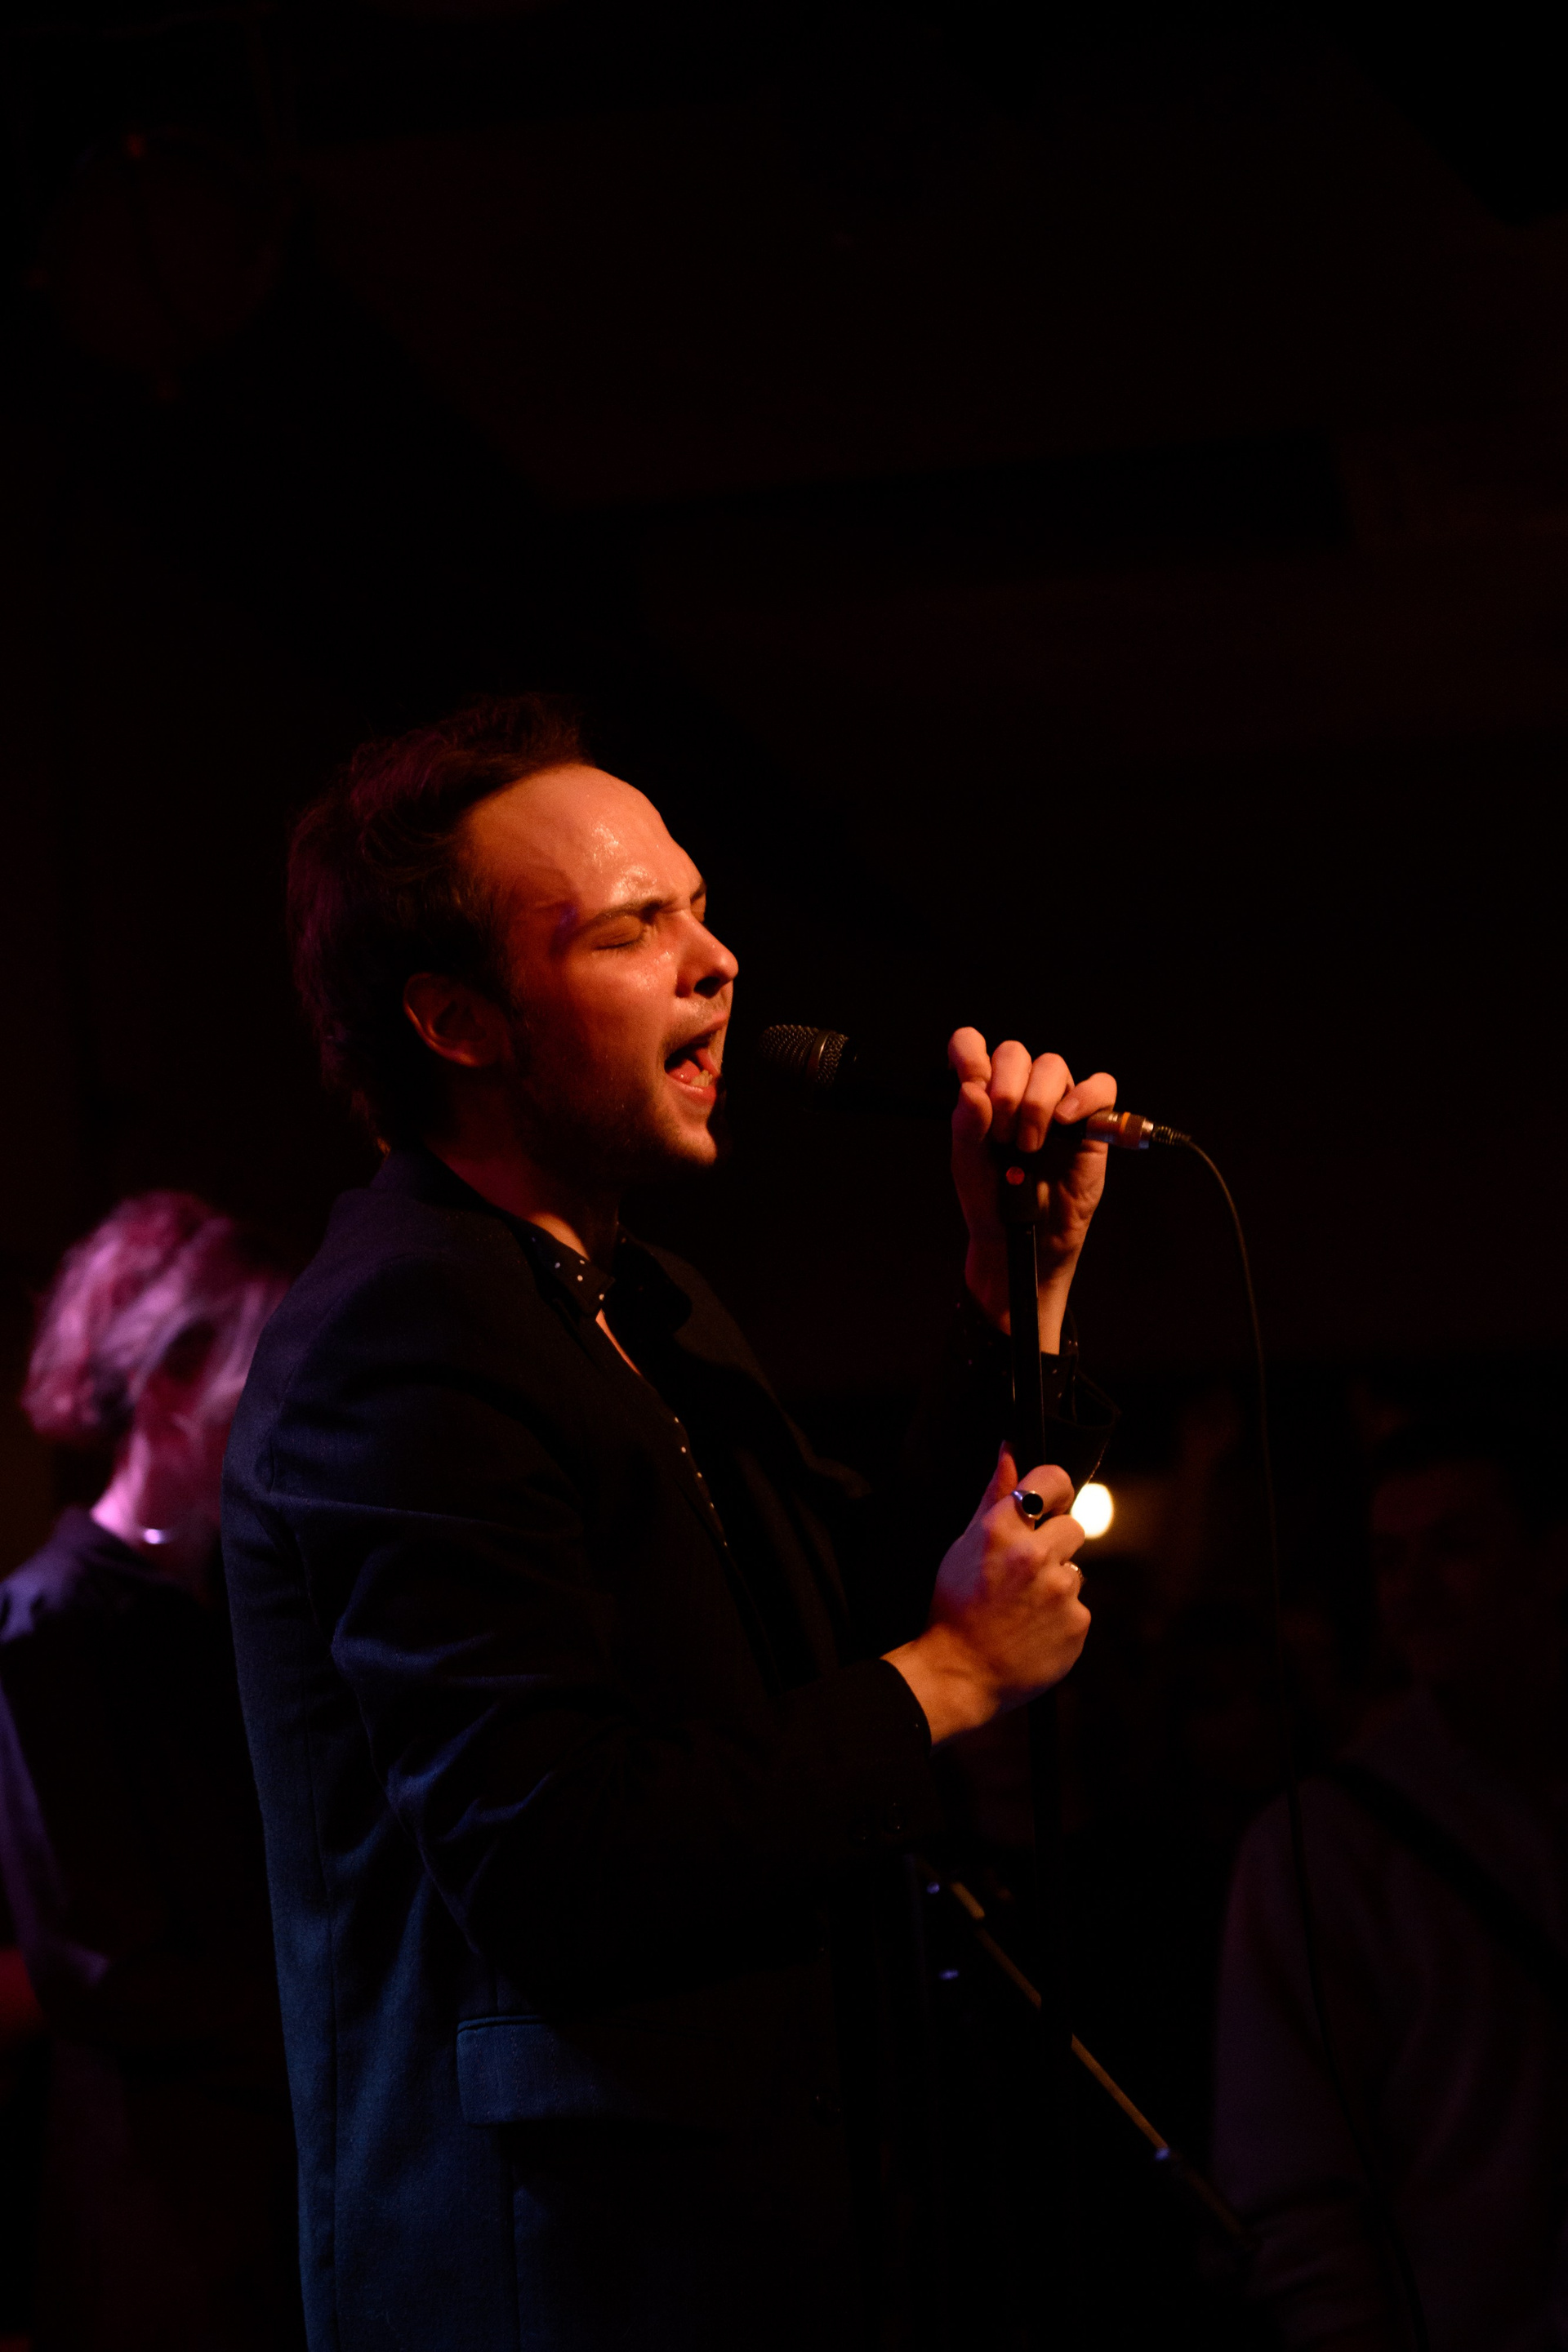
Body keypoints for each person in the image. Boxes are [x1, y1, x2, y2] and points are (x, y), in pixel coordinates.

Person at [221, 693, 1117, 2351]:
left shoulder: (654, 1302)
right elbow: (556, 1854)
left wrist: (1015, 1293)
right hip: (568, 2274)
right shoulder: (399, 1335)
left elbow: (841, 1627)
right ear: (459, 1022)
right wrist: (949, 1680)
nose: (716, 963)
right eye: (633, 930)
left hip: (762, 2235)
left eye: (701, 910)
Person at [0, 1191, 301, 2351]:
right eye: (254, 1377)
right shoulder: (49, 1624)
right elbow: (100, 1966)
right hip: (162, 2208)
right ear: (170, 1382)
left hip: (271, 2175)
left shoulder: (237, 1608)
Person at [1213, 1414, 1568, 2352]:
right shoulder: (1325, 1845)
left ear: (1551, 1558)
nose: (1414, 1589)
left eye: (1454, 1547)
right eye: (1390, 1558)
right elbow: (1291, 2175)